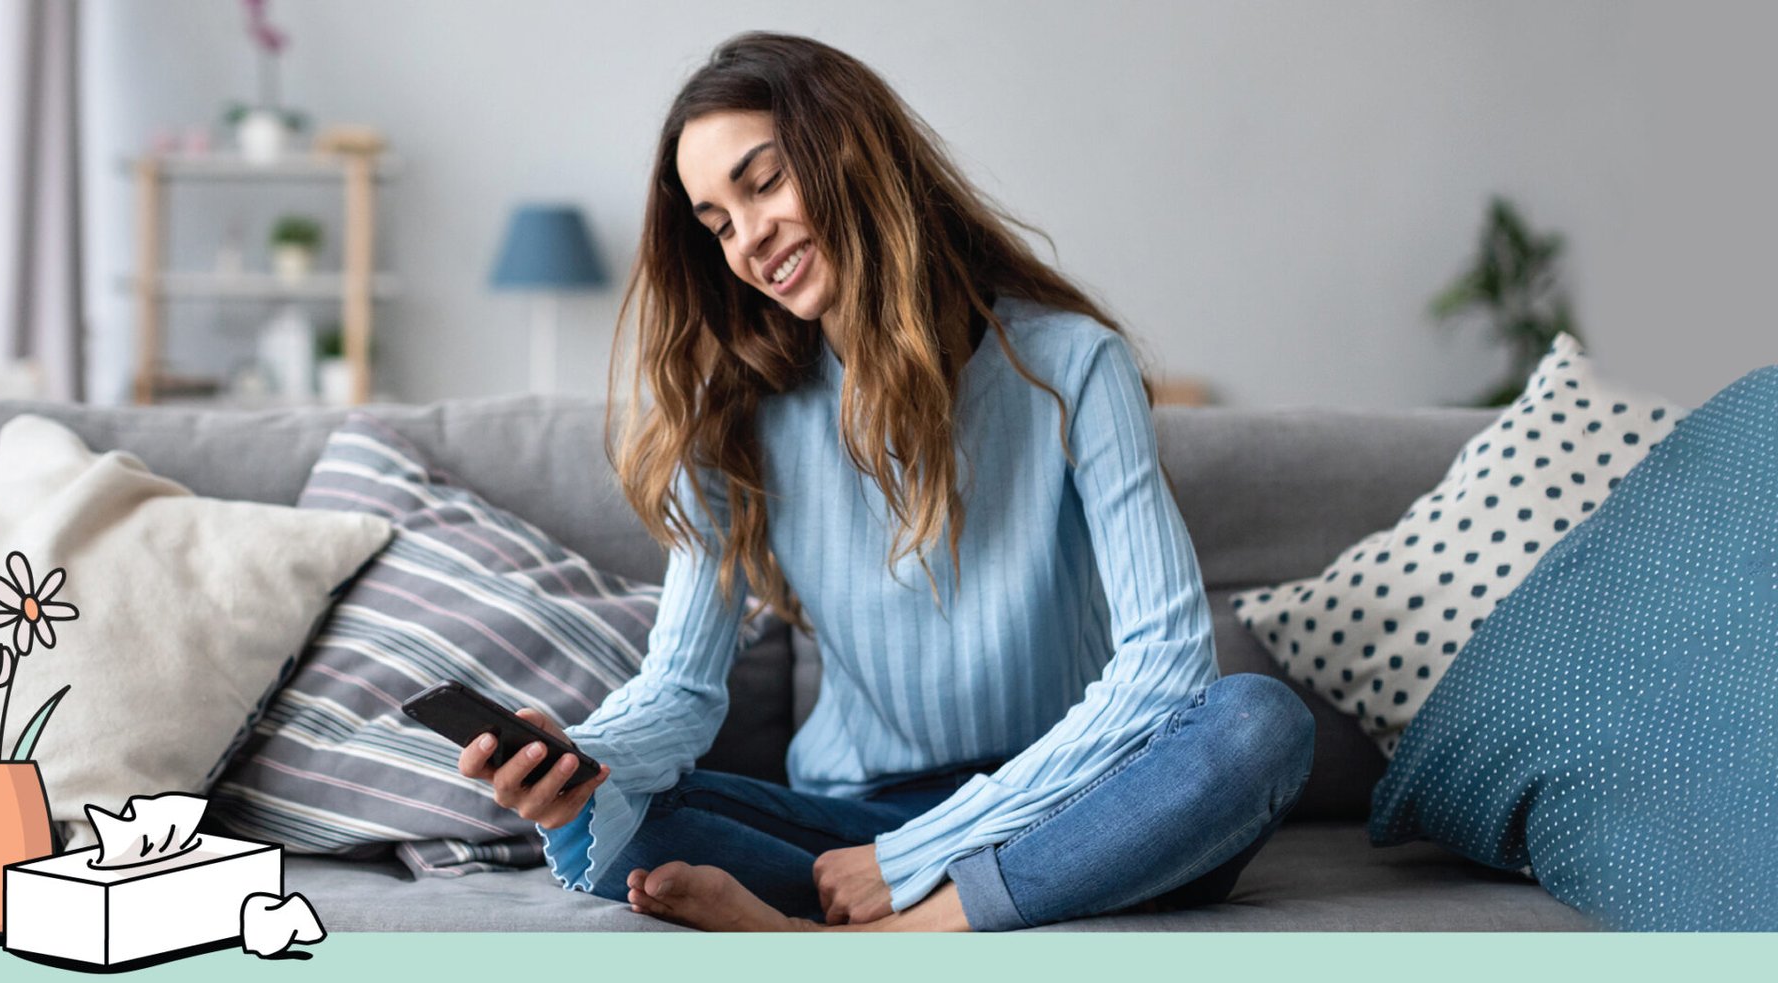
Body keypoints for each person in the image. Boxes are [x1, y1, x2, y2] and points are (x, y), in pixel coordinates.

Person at [456, 31, 1315, 932]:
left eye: (764, 182)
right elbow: (679, 691)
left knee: (1257, 725)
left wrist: (914, 861)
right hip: (854, 826)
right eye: (717, 223)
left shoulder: (1071, 365)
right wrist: (578, 763)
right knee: (625, 819)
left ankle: (894, 936)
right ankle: (959, 910)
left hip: (1060, 805)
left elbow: (1168, 670)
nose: (749, 240)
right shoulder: (738, 415)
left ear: (852, 153)